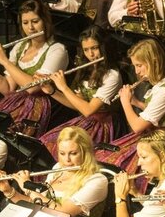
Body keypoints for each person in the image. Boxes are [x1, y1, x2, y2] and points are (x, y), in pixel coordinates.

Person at [0, 0, 68, 137]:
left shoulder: (57, 50)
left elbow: (33, 87)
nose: (30, 28)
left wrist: (4, 61)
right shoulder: (19, 47)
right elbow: (8, 89)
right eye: (25, 23)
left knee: (6, 127)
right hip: (15, 100)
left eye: (35, 21)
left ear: (45, 21)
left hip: (38, 105)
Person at [94, 39, 165, 177]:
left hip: (159, 145)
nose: (137, 72)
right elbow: (156, 111)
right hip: (150, 138)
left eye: (139, 65)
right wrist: (136, 103)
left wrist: (125, 102)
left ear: (154, 61)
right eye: (135, 66)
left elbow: (137, 127)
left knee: (110, 163)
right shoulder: (160, 85)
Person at [38, 26, 122, 154]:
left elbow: (88, 110)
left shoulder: (112, 75)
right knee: (46, 141)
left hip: (103, 125)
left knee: (65, 148)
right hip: (87, 122)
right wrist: (52, 91)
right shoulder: (86, 69)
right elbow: (77, 105)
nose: (91, 54)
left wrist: (64, 87)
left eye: (94, 48)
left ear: (104, 47)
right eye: (86, 50)